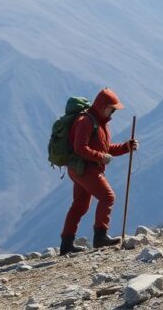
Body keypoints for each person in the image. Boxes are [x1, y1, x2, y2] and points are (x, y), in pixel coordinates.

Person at [60, 88, 139, 255]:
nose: (113, 112)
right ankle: (100, 237)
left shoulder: (98, 122)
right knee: (107, 197)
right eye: (112, 108)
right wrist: (100, 157)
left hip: (81, 169)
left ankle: (66, 245)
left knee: (80, 206)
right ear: (103, 106)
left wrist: (126, 147)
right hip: (85, 168)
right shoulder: (85, 121)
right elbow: (80, 148)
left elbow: (104, 147)